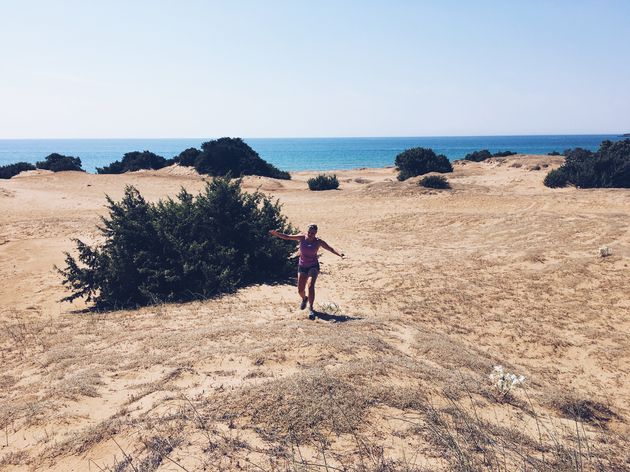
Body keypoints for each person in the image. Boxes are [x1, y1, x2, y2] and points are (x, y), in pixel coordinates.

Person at [269, 224, 344, 319]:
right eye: (309, 232)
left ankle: (311, 309)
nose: (310, 234)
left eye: (312, 233)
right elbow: (287, 237)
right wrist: (276, 234)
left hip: (313, 266)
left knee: (310, 285)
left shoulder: (318, 242)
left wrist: (340, 254)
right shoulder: (301, 237)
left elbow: (330, 248)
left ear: (316, 233)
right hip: (302, 266)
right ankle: (305, 299)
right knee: (300, 290)